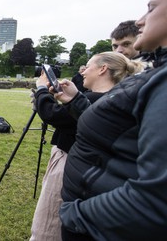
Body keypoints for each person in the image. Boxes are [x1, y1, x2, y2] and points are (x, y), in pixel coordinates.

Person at [54, 0, 167, 240]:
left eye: (151, 8)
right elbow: (119, 129)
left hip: (96, 226)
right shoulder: (155, 75)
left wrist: (76, 215)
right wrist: (73, 100)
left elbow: (156, 199)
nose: (139, 21)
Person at [29, 52, 140, 241]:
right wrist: (72, 99)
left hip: (71, 163)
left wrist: (40, 90)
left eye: (88, 66)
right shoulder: (111, 98)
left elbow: (54, 116)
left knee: (48, 222)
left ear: (103, 69)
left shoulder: (99, 101)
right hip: (81, 165)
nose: (83, 72)